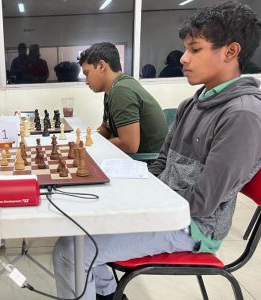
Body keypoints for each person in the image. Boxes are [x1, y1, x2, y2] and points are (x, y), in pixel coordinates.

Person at [53, 2, 261, 299]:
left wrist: (142, 208)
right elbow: (161, 163)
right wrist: (133, 194)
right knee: (79, 231)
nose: (184, 59)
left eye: (195, 49)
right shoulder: (192, 103)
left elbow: (203, 202)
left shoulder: (243, 115)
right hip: (164, 207)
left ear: (230, 52)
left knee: (71, 252)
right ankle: (109, 294)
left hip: (193, 227)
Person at [79, 42, 168, 154]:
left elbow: (129, 145)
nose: (86, 81)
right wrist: (88, 137)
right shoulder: (111, 90)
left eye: (87, 73)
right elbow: (106, 128)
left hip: (150, 163)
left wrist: (92, 144)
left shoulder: (121, 90)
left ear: (101, 66)